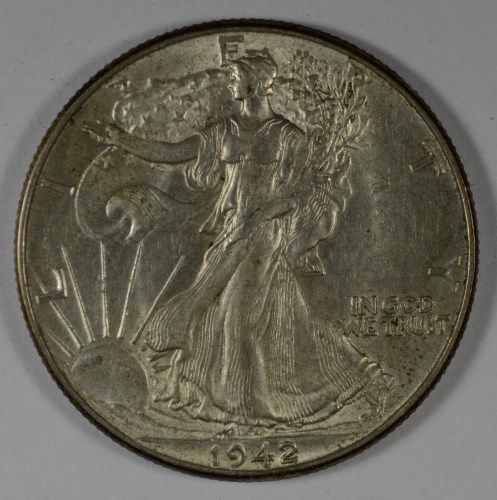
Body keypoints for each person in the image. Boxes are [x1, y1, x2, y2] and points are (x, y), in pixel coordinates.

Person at [85, 48, 395, 427]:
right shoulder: (224, 130)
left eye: (235, 77)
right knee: (242, 314)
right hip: (231, 232)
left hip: (264, 235)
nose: (230, 83)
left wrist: (257, 216)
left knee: (237, 317)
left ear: (256, 83)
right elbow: (174, 153)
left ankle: (246, 408)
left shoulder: (288, 137)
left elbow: (297, 193)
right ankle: (328, 383)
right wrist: (122, 140)